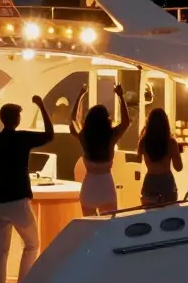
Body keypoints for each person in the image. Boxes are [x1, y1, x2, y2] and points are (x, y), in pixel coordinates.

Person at [0, 96, 54, 283]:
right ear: (17, 119)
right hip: (18, 198)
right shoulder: (22, 139)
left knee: (2, 249)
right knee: (32, 244)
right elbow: (49, 135)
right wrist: (42, 106)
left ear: (2, 119)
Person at [70, 85, 132, 216]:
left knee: (89, 227)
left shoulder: (84, 136)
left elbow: (73, 120)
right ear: (106, 120)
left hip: (88, 188)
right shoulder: (111, 136)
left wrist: (80, 95)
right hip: (106, 188)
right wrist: (120, 96)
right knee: (109, 227)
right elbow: (126, 122)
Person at [138, 108, 182, 206]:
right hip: (167, 182)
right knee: (168, 215)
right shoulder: (171, 143)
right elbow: (178, 168)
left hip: (150, 181)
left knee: (149, 215)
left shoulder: (143, 142)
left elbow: (137, 159)